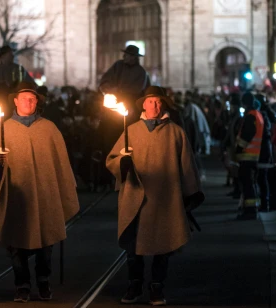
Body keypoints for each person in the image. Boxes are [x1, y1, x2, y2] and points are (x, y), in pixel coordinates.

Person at [0, 81, 79, 303]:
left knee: (46, 244)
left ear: (37, 102)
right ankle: (22, 284)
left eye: (33, 98)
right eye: (24, 97)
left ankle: (43, 282)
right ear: (15, 101)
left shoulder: (49, 129)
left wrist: (63, 190)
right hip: (17, 197)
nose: (29, 101)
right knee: (16, 243)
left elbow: (61, 164)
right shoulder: (3, 130)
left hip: (45, 196)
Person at [106, 86, 203, 306]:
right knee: (134, 246)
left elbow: (187, 165)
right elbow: (112, 159)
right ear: (143, 105)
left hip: (164, 198)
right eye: (151, 102)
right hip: (135, 197)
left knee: (163, 244)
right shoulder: (131, 130)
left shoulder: (175, 132)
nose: (155, 106)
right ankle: (135, 284)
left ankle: (157, 287)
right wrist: (122, 162)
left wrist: (191, 194)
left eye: (159, 102)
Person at [98, 45, 151, 119]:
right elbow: (106, 80)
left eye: (127, 55)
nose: (124, 56)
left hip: (131, 106)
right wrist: (108, 89)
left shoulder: (141, 72)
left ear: (133, 57)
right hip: (114, 104)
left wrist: (120, 90)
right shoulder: (118, 65)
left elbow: (138, 89)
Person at [235, 92, 265, 219]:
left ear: (245, 103)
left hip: (247, 156)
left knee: (247, 184)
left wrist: (239, 148)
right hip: (254, 156)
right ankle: (251, 209)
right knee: (250, 184)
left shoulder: (251, 116)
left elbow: (247, 134)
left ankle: (250, 211)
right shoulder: (258, 115)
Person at [0, 45, 34, 114]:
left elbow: (30, 83)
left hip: (15, 105)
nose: (12, 56)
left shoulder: (19, 70)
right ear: (2, 56)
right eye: (9, 54)